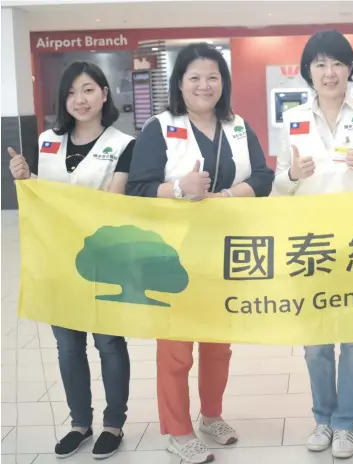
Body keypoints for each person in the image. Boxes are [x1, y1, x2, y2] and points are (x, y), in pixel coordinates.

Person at [125, 43, 274, 463]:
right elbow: (137, 189)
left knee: (217, 345)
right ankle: (177, 429)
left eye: (213, 77)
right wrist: (177, 190)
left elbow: (263, 175)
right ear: (179, 83)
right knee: (175, 348)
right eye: (194, 77)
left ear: (223, 83)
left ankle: (211, 415)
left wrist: (229, 194)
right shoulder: (160, 126)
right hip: (172, 255)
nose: (204, 85)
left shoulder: (239, 126)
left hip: (225, 254)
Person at [273, 30, 353, 458]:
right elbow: (276, 188)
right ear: (308, 70)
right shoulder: (292, 119)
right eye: (320, 64)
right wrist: (292, 176)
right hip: (311, 245)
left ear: (350, 69)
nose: (329, 72)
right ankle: (322, 419)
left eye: (338, 63)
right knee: (316, 342)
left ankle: (346, 424)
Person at [7, 61, 133, 460]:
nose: (80, 99)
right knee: (67, 345)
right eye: (71, 92)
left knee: (109, 343)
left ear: (104, 94)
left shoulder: (123, 144)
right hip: (58, 261)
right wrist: (23, 177)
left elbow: (113, 203)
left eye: (88, 90)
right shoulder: (46, 141)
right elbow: (38, 197)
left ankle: (113, 423)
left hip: (105, 261)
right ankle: (80, 422)